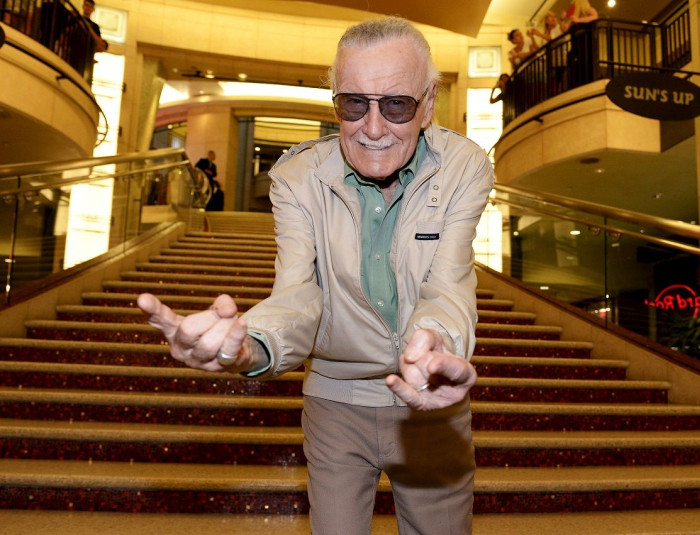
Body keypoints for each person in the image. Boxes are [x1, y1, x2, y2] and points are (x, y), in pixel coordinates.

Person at [138, 15, 493, 535]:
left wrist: (438, 346)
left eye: (396, 105)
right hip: (335, 403)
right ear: (335, 104)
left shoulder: (465, 166)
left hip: (432, 409)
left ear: (429, 104)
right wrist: (252, 344)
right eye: (354, 104)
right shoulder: (296, 176)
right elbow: (300, 293)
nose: (373, 129)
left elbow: (449, 281)